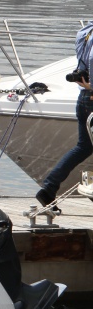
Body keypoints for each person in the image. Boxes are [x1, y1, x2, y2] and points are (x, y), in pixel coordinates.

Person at [36, 22, 93, 208]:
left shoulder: (85, 31)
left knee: (83, 147)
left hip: (83, 98)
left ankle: (49, 189)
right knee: (83, 147)